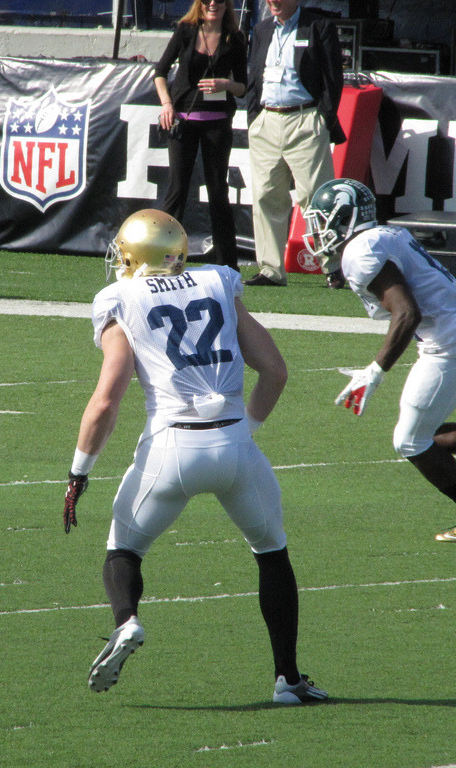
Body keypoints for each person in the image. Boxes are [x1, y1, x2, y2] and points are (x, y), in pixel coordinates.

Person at [62, 208, 327, 704]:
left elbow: (106, 400)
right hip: (234, 444)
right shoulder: (217, 281)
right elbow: (275, 371)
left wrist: (79, 473)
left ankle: (127, 621)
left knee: (124, 548)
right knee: (272, 554)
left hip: (171, 446)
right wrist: (243, 431)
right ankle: (288, 679)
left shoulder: (121, 297)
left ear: (133, 255)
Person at [302, 179, 456, 542]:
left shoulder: (361, 251)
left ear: (348, 217)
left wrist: (375, 371)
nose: (319, 229)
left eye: (325, 219)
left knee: (409, 441)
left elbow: (407, 313)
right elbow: (438, 292)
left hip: (449, 343)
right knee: (426, 431)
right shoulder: (388, 235)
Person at [242, 0, 346, 288]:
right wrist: (255, 118)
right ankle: (271, 271)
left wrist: (322, 117)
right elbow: (254, 74)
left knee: (316, 197)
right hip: (267, 120)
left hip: (305, 117)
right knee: (265, 196)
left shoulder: (318, 26)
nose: (272, 2)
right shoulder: (262, 29)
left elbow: (332, 77)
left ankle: (333, 267)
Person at [154, 0, 247, 272]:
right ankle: (164, 260)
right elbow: (160, 72)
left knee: (218, 191)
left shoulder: (235, 37)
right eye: (207, 0)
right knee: (177, 189)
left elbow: (243, 87)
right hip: (183, 121)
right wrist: (167, 104)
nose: (213, 5)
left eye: (219, 0)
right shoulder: (185, 30)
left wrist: (226, 85)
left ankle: (227, 265)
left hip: (217, 123)